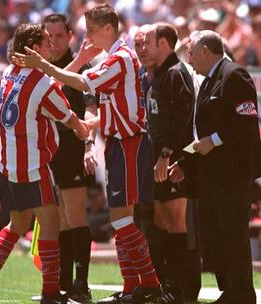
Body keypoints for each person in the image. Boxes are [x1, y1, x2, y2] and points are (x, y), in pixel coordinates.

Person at [12, 4, 162, 304]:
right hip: (118, 142)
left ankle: (150, 284)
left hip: (130, 142)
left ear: (108, 29)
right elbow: (109, 106)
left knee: (120, 219)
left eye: (92, 30)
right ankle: (133, 286)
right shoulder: (113, 58)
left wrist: (44, 65)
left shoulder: (119, 58)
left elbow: (82, 83)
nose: (88, 35)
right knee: (119, 219)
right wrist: (90, 125)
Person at [0, 23, 89, 304]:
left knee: (17, 223)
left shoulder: (8, 73)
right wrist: (83, 128)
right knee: (50, 223)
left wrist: (78, 61)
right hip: (33, 165)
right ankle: (50, 292)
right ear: (34, 48)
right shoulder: (42, 83)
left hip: (6, 163)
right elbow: (66, 115)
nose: (52, 47)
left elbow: (41, 93)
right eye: (47, 42)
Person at [170, 30, 259, 304]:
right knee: (217, 234)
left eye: (191, 51)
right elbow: (200, 136)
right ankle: (230, 290)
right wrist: (183, 161)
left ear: (205, 51)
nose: (188, 57)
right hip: (212, 173)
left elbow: (246, 121)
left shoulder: (234, 75)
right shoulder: (208, 81)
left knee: (233, 231)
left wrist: (216, 140)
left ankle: (242, 292)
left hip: (232, 172)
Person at [43, 13, 96, 302]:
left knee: (74, 214)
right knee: (60, 218)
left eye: (59, 36)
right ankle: (62, 284)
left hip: (72, 148)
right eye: (48, 36)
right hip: (49, 151)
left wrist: (88, 144)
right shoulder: (43, 65)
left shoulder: (82, 67)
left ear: (70, 36)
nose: (53, 41)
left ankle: (82, 285)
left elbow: (91, 108)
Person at [142, 23, 195, 304]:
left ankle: (180, 289)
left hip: (173, 159)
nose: (144, 47)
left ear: (163, 42)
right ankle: (165, 286)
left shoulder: (176, 73)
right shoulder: (157, 74)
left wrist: (167, 154)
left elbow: (183, 118)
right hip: (157, 158)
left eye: (148, 41)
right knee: (161, 219)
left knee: (175, 220)